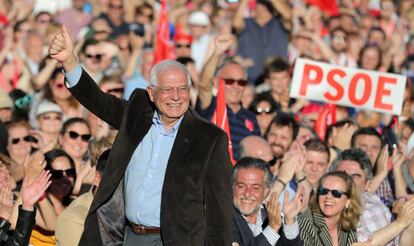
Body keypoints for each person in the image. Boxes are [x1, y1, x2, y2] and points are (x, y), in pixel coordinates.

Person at [49, 26, 233, 245]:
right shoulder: (137, 113)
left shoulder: (209, 138)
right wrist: (70, 62)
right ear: (151, 93)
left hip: (175, 240)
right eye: (167, 89)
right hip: (128, 235)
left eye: (182, 89)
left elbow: (219, 210)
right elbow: (98, 100)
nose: (176, 97)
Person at [195, 34, 260, 159]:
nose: (236, 86)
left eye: (241, 82)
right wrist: (217, 54)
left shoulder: (251, 117)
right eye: (230, 81)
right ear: (215, 81)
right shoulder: (210, 105)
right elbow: (203, 85)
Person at [331, 148, 414, 245]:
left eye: (355, 176)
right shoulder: (328, 201)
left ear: (367, 184)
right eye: (342, 175)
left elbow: (401, 242)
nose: (347, 180)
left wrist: (410, 219)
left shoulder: (374, 201)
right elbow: (362, 243)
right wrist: (400, 223)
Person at [232, 157, 303, 246]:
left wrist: (289, 221)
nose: (247, 194)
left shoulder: (270, 215)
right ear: (233, 187)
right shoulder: (223, 219)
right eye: (241, 186)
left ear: (266, 191)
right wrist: (272, 228)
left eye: (255, 188)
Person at [298, 171, 362, 245]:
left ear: (348, 201)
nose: (328, 197)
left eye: (336, 193)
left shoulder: (348, 227)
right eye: (323, 191)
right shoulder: (305, 223)